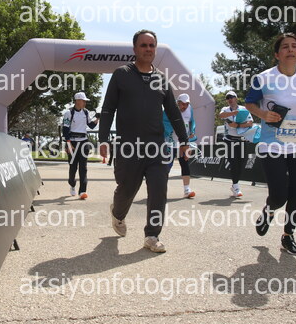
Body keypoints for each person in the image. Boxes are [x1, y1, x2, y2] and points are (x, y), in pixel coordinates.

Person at [99, 29, 189, 253]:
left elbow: (173, 112)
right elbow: (108, 108)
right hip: (128, 147)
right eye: (143, 45)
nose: (148, 49)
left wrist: (184, 139)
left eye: (151, 45)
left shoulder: (161, 79)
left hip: (156, 147)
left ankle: (152, 235)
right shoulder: (121, 74)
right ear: (134, 49)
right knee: (127, 189)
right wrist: (103, 139)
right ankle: (117, 213)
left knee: (159, 189)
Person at [245, 33, 296, 256]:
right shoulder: (263, 78)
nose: (290, 49)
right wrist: (263, 114)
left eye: (294, 46)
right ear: (277, 54)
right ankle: (269, 210)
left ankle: (288, 236)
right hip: (272, 144)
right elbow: (249, 102)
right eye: (285, 47)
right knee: (279, 195)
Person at [62, 92, 99, 199]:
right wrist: (69, 144)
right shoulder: (69, 113)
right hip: (72, 142)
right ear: (77, 101)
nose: (85, 103)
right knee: (73, 167)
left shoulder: (86, 112)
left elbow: (91, 126)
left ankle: (82, 191)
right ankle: (72, 184)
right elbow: (65, 130)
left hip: (84, 142)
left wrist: (97, 118)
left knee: (83, 167)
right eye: (84, 101)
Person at [219, 90, 254, 198]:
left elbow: (250, 123)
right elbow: (221, 115)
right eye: (228, 98)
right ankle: (236, 186)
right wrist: (233, 113)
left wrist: (238, 125)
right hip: (230, 140)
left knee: (242, 163)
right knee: (234, 163)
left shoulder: (243, 109)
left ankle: (235, 185)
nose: (230, 99)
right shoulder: (225, 109)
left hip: (242, 140)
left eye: (232, 97)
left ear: (236, 98)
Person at [163, 93, 197, 198]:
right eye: (182, 104)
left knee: (185, 163)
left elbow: (192, 122)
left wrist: (192, 132)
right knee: (167, 166)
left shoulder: (190, 109)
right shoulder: (170, 108)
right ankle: (161, 189)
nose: (184, 107)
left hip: (183, 142)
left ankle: (187, 190)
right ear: (177, 103)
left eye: (186, 104)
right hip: (170, 141)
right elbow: (163, 123)